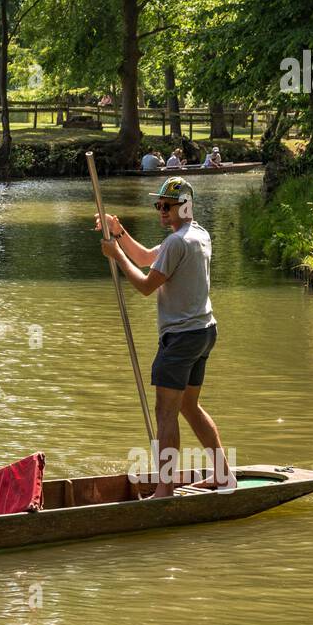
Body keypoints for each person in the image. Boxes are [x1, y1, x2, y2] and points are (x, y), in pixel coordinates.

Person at [95, 176, 234, 498]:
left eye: (167, 206)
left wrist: (117, 256)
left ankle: (165, 489)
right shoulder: (198, 234)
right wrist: (119, 233)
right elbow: (145, 257)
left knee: (166, 412)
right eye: (158, 205)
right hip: (204, 332)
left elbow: (145, 285)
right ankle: (223, 475)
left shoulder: (176, 242)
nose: (161, 211)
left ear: (184, 205)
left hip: (182, 338)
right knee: (189, 406)